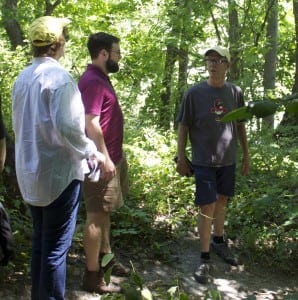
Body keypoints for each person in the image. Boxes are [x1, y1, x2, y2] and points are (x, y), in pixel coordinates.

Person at [12, 16, 105, 299]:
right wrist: (93, 152)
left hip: (31, 175)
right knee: (54, 250)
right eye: (64, 35)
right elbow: (68, 128)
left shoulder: (23, 78)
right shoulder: (60, 79)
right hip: (57, 177)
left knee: (41, 243)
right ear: (58, 43)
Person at [176, 46, 249, 284]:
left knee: (222, 200)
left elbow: (240, 125)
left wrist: (246, 154)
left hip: (228, 159)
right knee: (206, 205)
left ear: (227, 65)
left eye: (218, 60)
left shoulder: (235, 92)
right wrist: (180, 156)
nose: (212, 64)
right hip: (203, 160)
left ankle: (219, 241)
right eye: (209, 60)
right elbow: (184, 125)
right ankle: (204, 257)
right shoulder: (194, 93)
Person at [78, 32, 129, 294]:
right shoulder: (93, 81)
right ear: (104, 54)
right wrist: (106, 157)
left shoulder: (100, 79)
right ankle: (92, 276)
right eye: (117, 52)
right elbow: (90, 123)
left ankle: (106, 262)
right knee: (96, 216)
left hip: (110, 158)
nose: (119, 56)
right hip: (99, 161)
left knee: (104, 214)